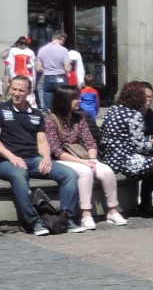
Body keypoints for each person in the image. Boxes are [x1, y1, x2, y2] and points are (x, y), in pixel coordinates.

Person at [0, 74, 83, 235]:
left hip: (33, 159)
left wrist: (46, 157)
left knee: (69, 174)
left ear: (29, 92)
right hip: (6, 161)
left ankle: (67, 218)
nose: (16, 93)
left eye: (21, 90)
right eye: (14, 89)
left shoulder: (36, 114)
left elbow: (42, 142)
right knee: (19, 174)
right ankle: (31, 221)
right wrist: (11, 157)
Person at [44, 86, 127, 229]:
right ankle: (86, 214)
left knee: (107, 171)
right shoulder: (51, 120)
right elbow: (56, 151)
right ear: (65, 100)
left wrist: (93, 159)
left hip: (82, 157)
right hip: (62, 159)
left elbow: (90, 142)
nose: (79, 101)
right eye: (76, 98)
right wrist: (83, 162)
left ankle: (113, 210)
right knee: (85, 172)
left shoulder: (79, 118)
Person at [100, 81, 153, 219]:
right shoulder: (134, 115)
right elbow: (140, 147)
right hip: (125, 161)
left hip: (109, 158)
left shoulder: (112, 109)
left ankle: (147, 204)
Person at [33, 29, 72, 112]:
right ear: (62, 39)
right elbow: (67, 69)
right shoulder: (63, 50)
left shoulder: (42, 49)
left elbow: (38, 68)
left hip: (47, 77)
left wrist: (47, 67)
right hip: (60, 77)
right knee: (63, 103)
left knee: (48, 106)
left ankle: (48, 118)